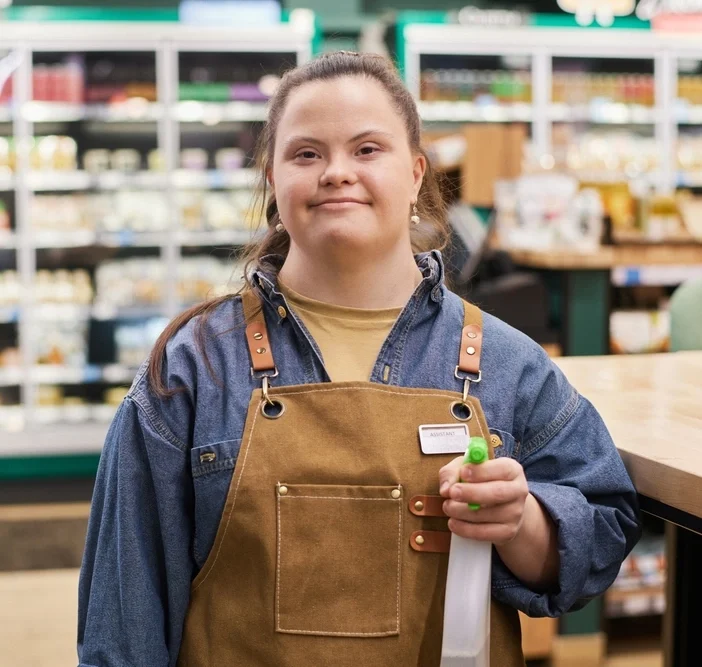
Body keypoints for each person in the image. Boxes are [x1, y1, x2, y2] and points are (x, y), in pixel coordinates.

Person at [77, 51, 641, 667]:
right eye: (306, 153)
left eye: (367, 149)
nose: (336, 172)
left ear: (417, 174)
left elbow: (602, 538)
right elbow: (123, 620)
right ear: (273, 177)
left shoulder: (509, 366)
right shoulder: (191, 370)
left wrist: (523, 522)